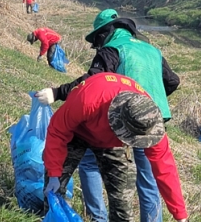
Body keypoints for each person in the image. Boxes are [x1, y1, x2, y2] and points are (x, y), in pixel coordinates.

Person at [36, 9, 180, 222]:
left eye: (97, 40)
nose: (97, 45)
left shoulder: (111, 50)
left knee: (90, 164)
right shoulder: (151, 50)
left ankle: (98, 217)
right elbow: (172, 81)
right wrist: (150, 102)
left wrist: (58, 93)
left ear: (105, 33)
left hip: (125, 117)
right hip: (150, 118)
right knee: (148, 180)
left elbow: (90, 81)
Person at [42, 73, 188, 222]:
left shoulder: (148, 122)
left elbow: (165, 169)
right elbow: (57, 131)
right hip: (77, 133)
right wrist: (54, 174)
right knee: (54, 190)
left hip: (112, 144)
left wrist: (180, 215)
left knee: (122, 203)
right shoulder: (89, 99)